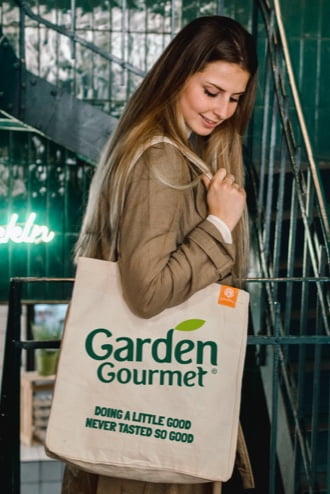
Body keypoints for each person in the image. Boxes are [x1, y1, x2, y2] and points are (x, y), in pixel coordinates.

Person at [62, 14, 258, 494]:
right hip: (157, 405)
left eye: (234, 98)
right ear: (177, 75)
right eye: (211, 92)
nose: (222, 111)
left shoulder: (156, 147)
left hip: (140, 398)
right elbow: (147, 292)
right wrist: (218, 225)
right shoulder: (161, 157)